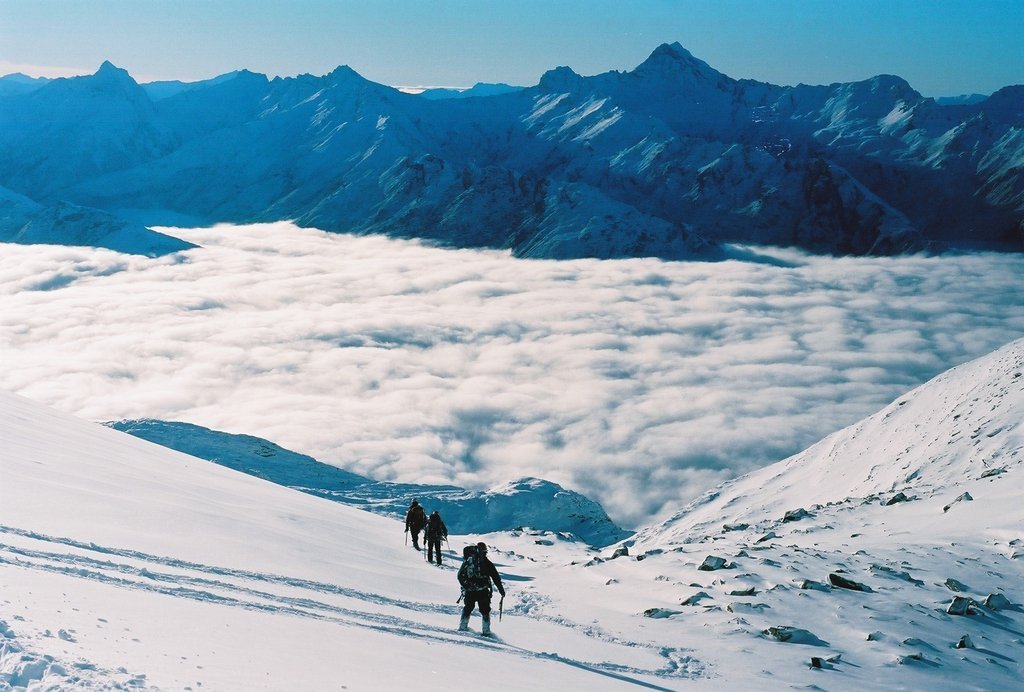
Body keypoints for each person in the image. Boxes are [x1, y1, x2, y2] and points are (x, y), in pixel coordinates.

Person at [458, 542, 505, 636]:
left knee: (468, 608)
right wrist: (501, 590)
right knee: (485, 610)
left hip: (469, 590)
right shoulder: (486, 563)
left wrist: (466, 585)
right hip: (482, 590)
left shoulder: (468, 561)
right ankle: (486, 631)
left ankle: (463, 627)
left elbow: (460, 575)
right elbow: (495, 577)